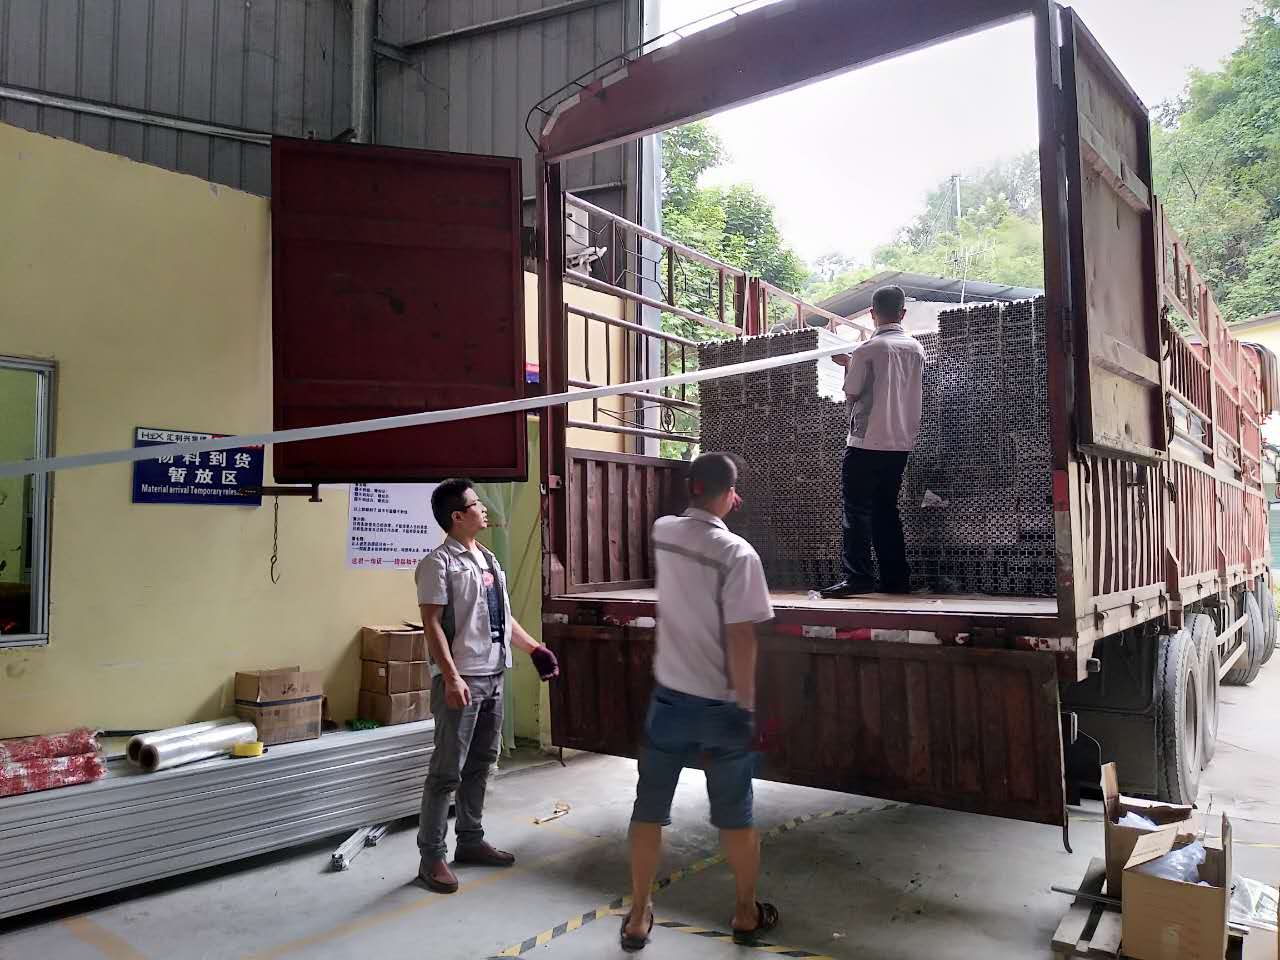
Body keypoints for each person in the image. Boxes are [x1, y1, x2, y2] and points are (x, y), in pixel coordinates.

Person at [621, 453, 778, 952]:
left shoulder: (664, 532)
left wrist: (713, 501)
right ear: (731, 495)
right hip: (720, 707)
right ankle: (746, 913)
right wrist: (745, 706)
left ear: (690, 486)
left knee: (649, 809)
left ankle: (638, 915)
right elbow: (742, 638)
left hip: (669, 701)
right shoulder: (738, 554)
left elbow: (692, 519)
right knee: (735, 816)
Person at [415, 478, 561, 894]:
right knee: (446, 772)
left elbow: (502, 616)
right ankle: (431, 857)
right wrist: (451, 676)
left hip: (494, 674)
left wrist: (534, 649)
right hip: (462, 680)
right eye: (476, 504)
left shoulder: (488, 559)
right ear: (457, 516)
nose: (483, 509)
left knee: (481, 764)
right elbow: (431, 624)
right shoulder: (438, 564)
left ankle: (470, 840)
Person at [821, 284, 926, 597]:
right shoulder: (916, 349)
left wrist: (848, 365)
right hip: (900, 444)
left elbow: (852, 393)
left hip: (866, 442)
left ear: (872, 313)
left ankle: (858, 577)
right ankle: (896, 579)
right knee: (886, 510)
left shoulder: (867, 350)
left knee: (856, 511)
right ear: (902, 313)